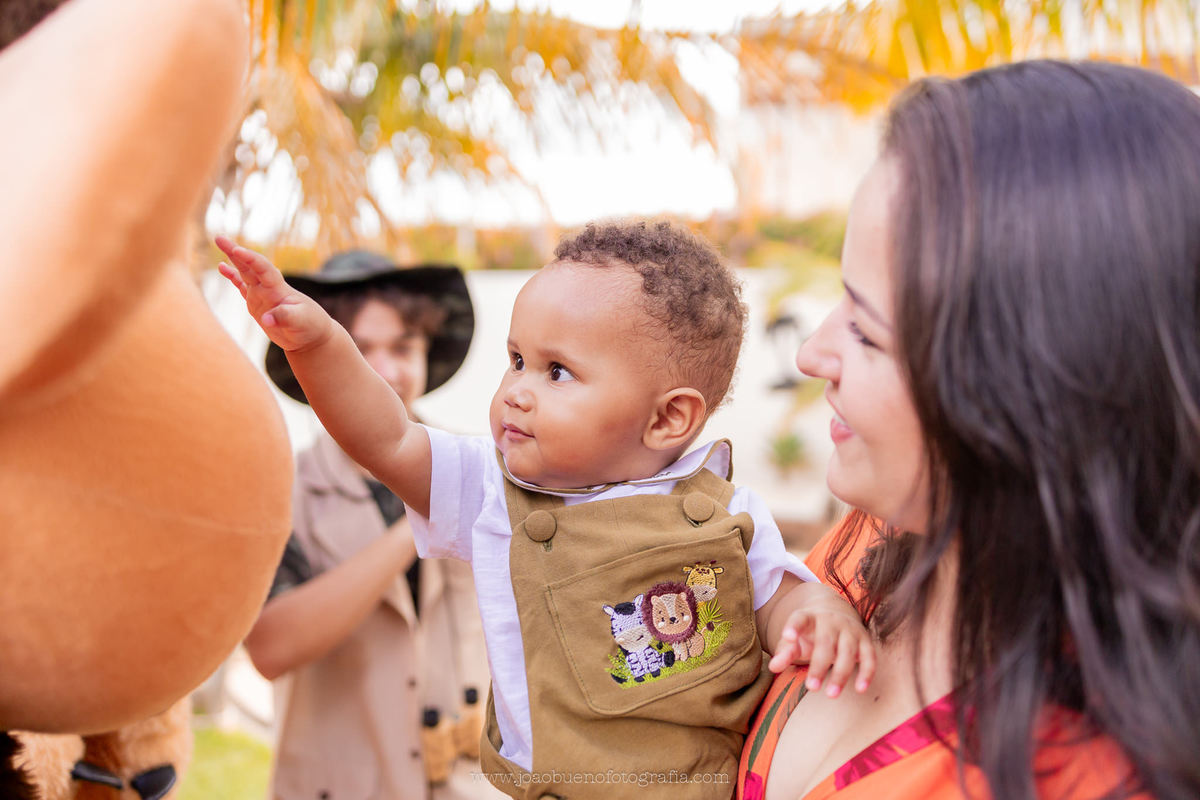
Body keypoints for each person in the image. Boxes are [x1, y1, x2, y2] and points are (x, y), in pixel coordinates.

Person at [217, 220, 876, 799]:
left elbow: (778, 598)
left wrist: (819, 613)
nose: (516, 391)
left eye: (556, 372)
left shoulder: (723, 513)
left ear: (668, 418)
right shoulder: (492, 491)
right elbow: (387, 438)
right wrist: (317, 347)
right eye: (516, 361)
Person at [737, 59, 1200, 800]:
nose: (811, 354)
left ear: (1029, 392)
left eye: (866, 331)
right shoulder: (869, 550)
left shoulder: (1090, 775)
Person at [240, 251, 498, 800]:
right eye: (357, 349)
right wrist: (421, 519)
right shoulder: (280, 490)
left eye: (403, 348)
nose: (385, 371)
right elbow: (269, 647)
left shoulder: (484, 470)